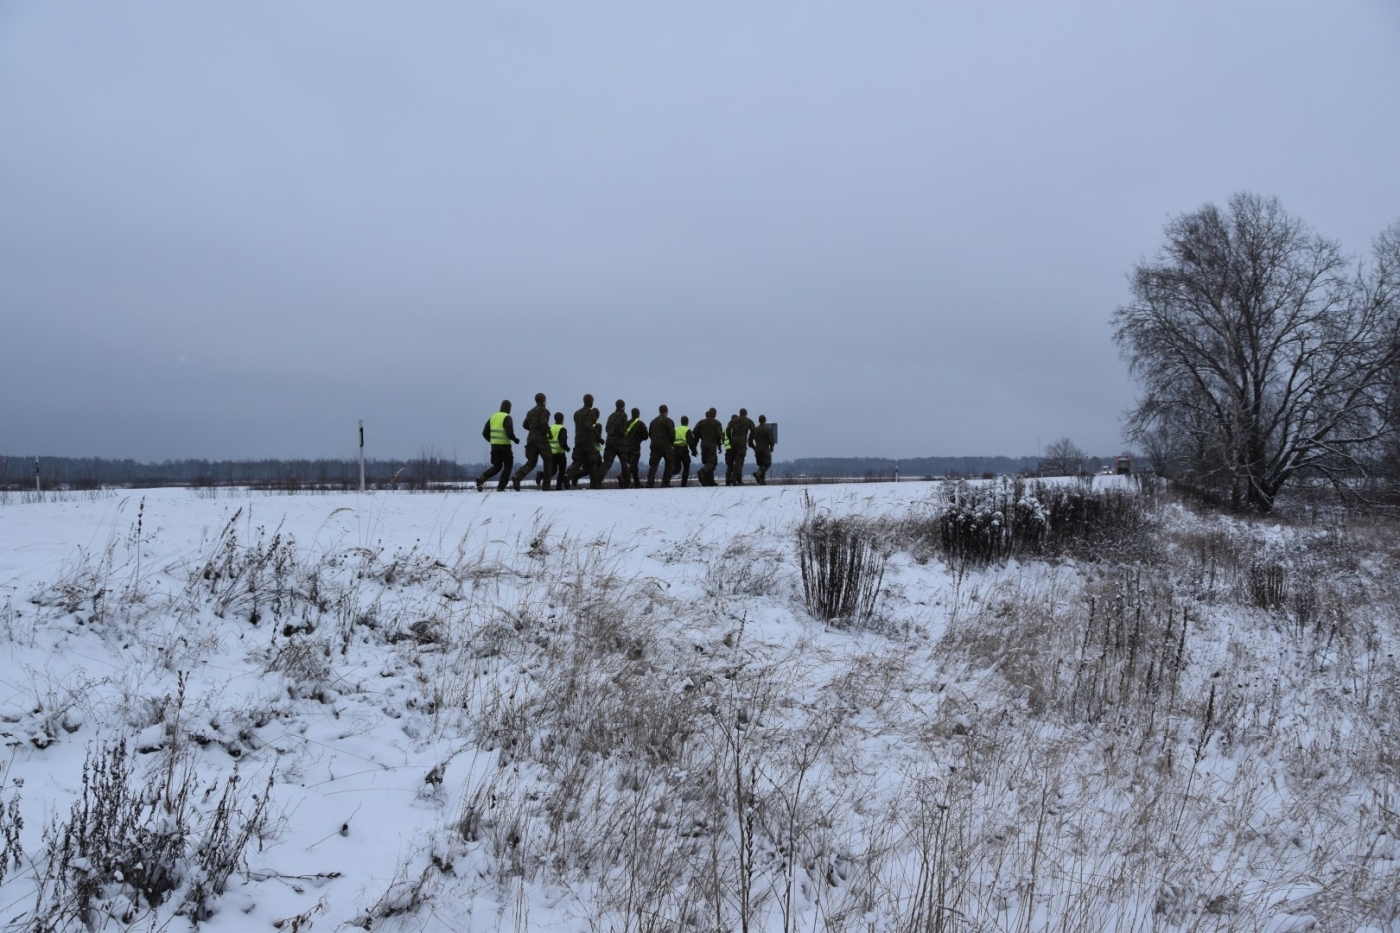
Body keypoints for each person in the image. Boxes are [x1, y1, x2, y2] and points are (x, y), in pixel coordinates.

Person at [511, 392, 553, 491]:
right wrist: (549, 434)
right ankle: (546, 486)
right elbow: (544, 423)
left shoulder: (530, 412)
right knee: (548, 461)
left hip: (530, 438)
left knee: (531, 462)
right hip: (541, 439)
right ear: (544, 400)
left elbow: (525, 424)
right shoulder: (544, 411)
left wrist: (533, 430)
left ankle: (517, 477)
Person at [474, 400, 519, 492]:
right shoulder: (507, 417)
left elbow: (484, 432)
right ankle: (501, 487)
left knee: (497, 466)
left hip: (494, 446)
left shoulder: (493, 417)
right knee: (508, 465)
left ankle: (482, 478)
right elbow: (509, 432)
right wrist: (515, 439)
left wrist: (492, 441)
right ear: (509, 408)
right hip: (505, 446)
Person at [564, 407, 603, 489]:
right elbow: (595, 436)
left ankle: (569, 475)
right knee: (595, 465)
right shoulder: (597, 425)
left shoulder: (579, 420)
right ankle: (595, 484)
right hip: (593, 448)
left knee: (579, 463)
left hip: (579, 445)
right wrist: (600, 439)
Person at [598, 399, 630, 488]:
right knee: (624, 463)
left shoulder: (611, 416)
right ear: (623, 406)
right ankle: (626, 483)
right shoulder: (623, 415)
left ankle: (597, 480)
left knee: (607, 463)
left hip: (610, 442)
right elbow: (621, 427)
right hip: (621, 443)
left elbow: (607, 428)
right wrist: (624, 434)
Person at [646, 405, 677, 488]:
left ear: (659, 411)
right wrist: (671, 442)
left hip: (655, 445)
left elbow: (650, 434)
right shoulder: (668, 421)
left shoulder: (653, 422)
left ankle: (650, 482)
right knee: (669, 463)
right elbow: (672, 433)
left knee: (653, 464)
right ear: (667, 411)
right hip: (666, 446)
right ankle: (665, 482)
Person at [693, 408, 725, 487]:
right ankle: (702, 471)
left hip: (703, 445)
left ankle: (710, 481)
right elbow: (719, 435)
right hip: (712, 445)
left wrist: (700, 438)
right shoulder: (717, 423)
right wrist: (720, 445)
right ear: (714, 414)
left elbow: (694, 432)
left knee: (706, 462)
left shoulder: (701, 422)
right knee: (711, 462)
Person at [727, 408, 756, 486]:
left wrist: (730, 438)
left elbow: (728, 429)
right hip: (742, 443)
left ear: (739, 413)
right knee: (739, 461)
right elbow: (753, 430)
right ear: (746, 413)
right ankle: (734, 478)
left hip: (733, 442)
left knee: (734, 461)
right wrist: (750, 440)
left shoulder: (734, 420)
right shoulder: (748, 421)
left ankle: (735, 479)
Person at [569, 394, 595, 479]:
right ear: (590, 401)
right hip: (588, 441)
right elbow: (589, 425)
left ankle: (567, 475)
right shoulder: (590, 412)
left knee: (576, 461)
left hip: (578, 440)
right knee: (592, 461)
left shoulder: (577, 413)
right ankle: (595, 483)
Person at [623, 407, 647, 488]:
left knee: (634, 466)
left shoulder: (626, 423)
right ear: (638, 414)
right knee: (633, 466)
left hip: (626, 448)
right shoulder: (640, 424)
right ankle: (623, 478)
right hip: (635, 448)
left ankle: (637, 484)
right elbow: (645, 436)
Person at [749, 414, 775, 485]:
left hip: (757, 449)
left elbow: (750, 440)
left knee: (761, 465)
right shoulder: (767, 429)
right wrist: (772, 446)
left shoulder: (755, 430)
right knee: (767, 464)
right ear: (765, 420)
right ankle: (758, 473)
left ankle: (762, 480)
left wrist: (754, 447)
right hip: (765, 449)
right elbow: (770, 440)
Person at [547, 412, 570, 489]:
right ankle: (558, 486)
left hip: (551, 453)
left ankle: (540, 475)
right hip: (560, 453)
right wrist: (567, 448)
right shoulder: (562, 428)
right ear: (562, 419)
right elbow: (562, 442)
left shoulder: (550, 428)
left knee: (552, 471)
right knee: (562, 470)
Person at [673, 415, 697, 487]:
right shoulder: (687, 430)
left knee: (677, 468)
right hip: (683, 450)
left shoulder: (675, 429)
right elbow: (691, 442)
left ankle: (667, 475)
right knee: (686, 466)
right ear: (687, 422)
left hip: (675, 450)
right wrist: (694, 451)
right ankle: (683, 484)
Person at [722, 414, 738, 485]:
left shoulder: (725, 430)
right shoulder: (734, 429)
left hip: (727, 449)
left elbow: (722, 439)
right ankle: (735, 479)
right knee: (736, 465)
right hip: (734, 448)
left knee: (729, 466)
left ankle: (727, 481)